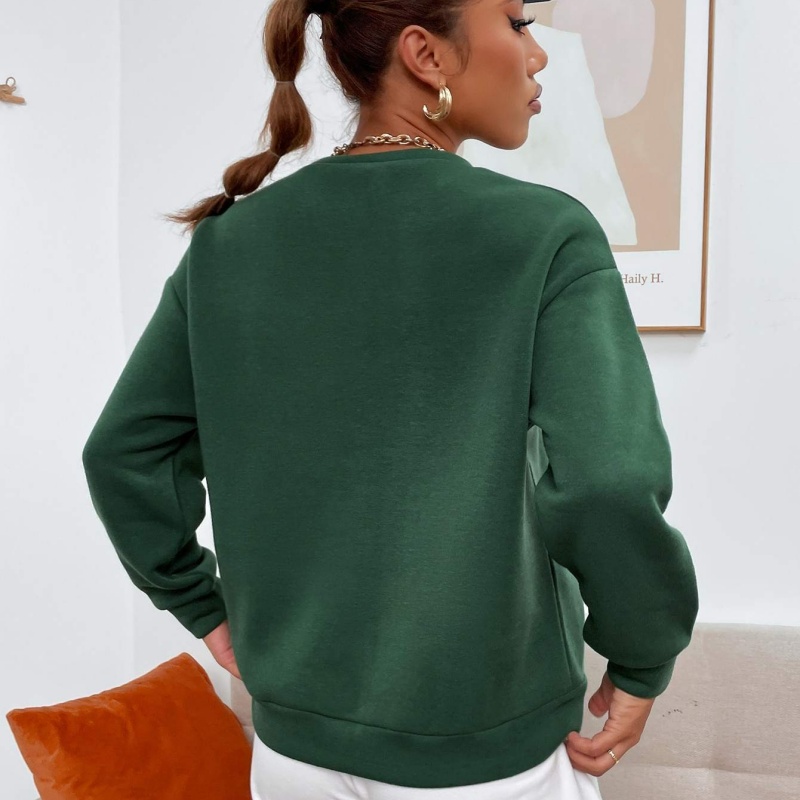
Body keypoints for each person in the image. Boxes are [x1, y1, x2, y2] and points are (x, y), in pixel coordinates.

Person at [81, 0, 700, 797]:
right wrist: (642, 655)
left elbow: (125, 455)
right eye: (516, 23)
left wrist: (201, 605)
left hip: (293, 759)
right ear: (424, 54)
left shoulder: (228, 245)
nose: (538, 54)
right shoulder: (542, 234)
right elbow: (609, 481)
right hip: (485, 761)